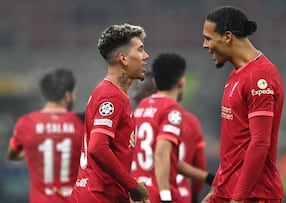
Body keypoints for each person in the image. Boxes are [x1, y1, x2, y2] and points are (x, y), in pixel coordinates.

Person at [201, 6, 285, 203]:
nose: (204, 45)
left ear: (227, 37)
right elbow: (234, 143)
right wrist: (216, 189)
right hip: (227, 191)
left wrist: (239, 198)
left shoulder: (259, 77)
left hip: (254, 195)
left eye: (208, 38)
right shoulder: (236, 75)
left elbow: (260, 142)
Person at [70, 23, 149, 203]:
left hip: (96, 193)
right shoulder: (111, 96)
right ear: (124, 58)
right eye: (140, 50)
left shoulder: (110, 93)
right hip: (99, 196)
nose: (146, 56)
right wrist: (132, 186)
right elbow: (97, 147)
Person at [132, 53, 212, 203]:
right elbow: (162, 154)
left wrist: (207, 177)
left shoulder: (142, 106)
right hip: (160, 193)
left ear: (155, 82)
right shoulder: (172, 109)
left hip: (141, 194)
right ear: (181, 82)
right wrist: (166, 197)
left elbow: (169, 158)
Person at [7, 68, 83, 203]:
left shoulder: (26, 123)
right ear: (67, 96)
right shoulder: (81, 123)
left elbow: (12, 154)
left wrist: (31, 150)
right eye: (74, 93)